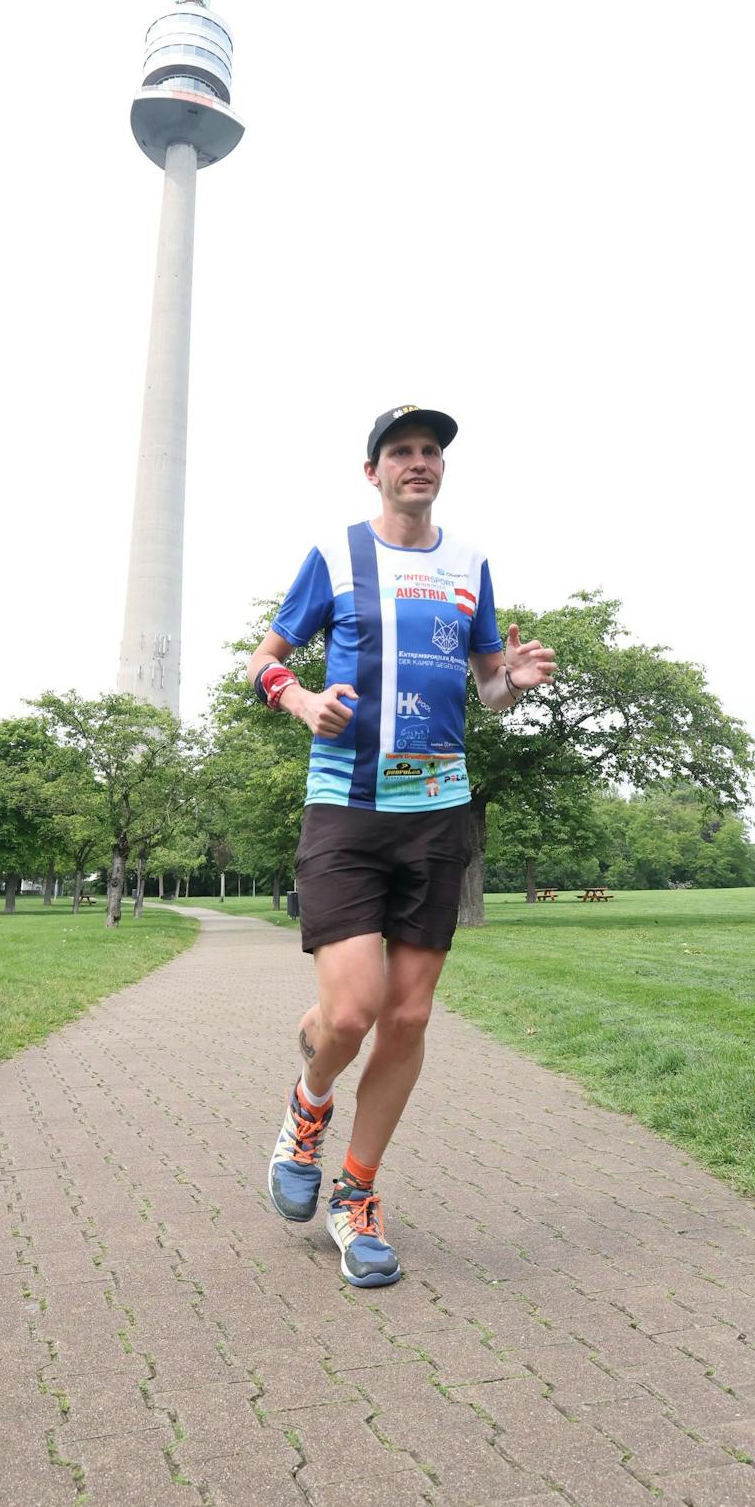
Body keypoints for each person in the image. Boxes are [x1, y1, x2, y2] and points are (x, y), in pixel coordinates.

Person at [246, 405, 557, 1286]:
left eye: (430, 453)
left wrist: (512, 683)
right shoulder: (336, 556)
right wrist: (302, 701)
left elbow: (489, 686)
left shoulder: (469, 566)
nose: (418, 464)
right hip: (345, 806)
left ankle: (357, 1194)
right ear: (373, 471)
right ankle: (307, 1113)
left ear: (441, 471)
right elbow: (263, 661)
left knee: (410, 1015)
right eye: (401, 453)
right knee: (350, 1013)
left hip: (437, 810)